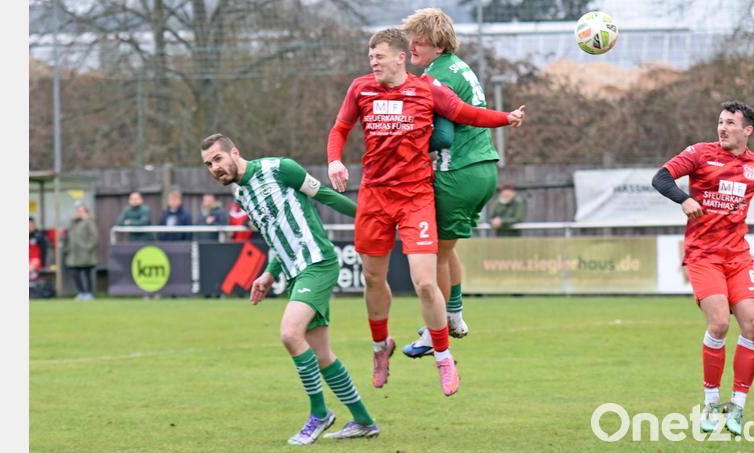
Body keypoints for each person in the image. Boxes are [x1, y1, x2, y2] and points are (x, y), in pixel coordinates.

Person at [326, 28, 524, 396]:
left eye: (379, 56)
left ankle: (444, 357)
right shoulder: (360, 88)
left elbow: (466, 113)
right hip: (374, 195)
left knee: (424, 281)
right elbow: (340, 128)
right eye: (371, 57)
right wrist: (334, 161)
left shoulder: (427, 88)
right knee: (372, 279)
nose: (373, 62)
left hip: (415, 195)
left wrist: (505, 118)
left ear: (401, 57)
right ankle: (380, 347)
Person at [200, 133, 379, 444]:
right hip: (295, 272)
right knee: (322, 354)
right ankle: (364, 421)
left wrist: (371, 216)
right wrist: (269, 274)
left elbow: (324, 194)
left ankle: (320, 414)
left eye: (217, 159)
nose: (214, 167)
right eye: (208, 164)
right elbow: (276, 236)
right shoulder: (241, 195)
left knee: (289, 334)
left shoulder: (280, 168)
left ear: (235, 152)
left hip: (317, 262)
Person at [401, 8, 507, 357]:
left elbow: (443, 136)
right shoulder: (458, 66)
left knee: (434, 256)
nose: (412, 46)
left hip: (457, 171)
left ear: (438, 42)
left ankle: (437, 332)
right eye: (411, 38)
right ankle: (454, 316)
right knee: (447, 250)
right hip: (484, 167)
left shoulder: (437, 78)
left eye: (420, 39)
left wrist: (401, 139)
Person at [651, 100, 754, 436]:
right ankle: (711, 402)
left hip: (738, 257)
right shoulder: (700, 153)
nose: (723, 128)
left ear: (747, 130)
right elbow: (661, 177)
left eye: (730, 123)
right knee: (719, 322)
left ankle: (737, 407)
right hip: (703, 255)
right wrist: (683, 198)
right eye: (720, 122)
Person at [65, 203, 98, 300]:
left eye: (81, 211)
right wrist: (67, 248)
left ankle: (89, 293)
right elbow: (68, 236)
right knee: (75, 273)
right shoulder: (73, 223)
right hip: (74, 254)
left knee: (88, 273)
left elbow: (94, 236)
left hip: (86, 253)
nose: (79, 213)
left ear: (86, 212)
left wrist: (88, 248)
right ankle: (81, 292)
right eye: (78, 211)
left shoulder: (89, 222)